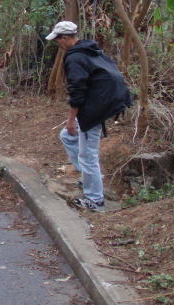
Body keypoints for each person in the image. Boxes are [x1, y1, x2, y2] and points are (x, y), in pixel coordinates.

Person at [46, 20, 131, 211]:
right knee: (68, 137)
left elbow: (77, 91)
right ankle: (90, 178)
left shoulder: (75, 57)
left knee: (87, 154)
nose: (57, 44)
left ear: (65, 38)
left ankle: (95, 200)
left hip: (97, 105)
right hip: (107, 100)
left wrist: (71, 119)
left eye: (57, 40)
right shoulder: (89, 49)